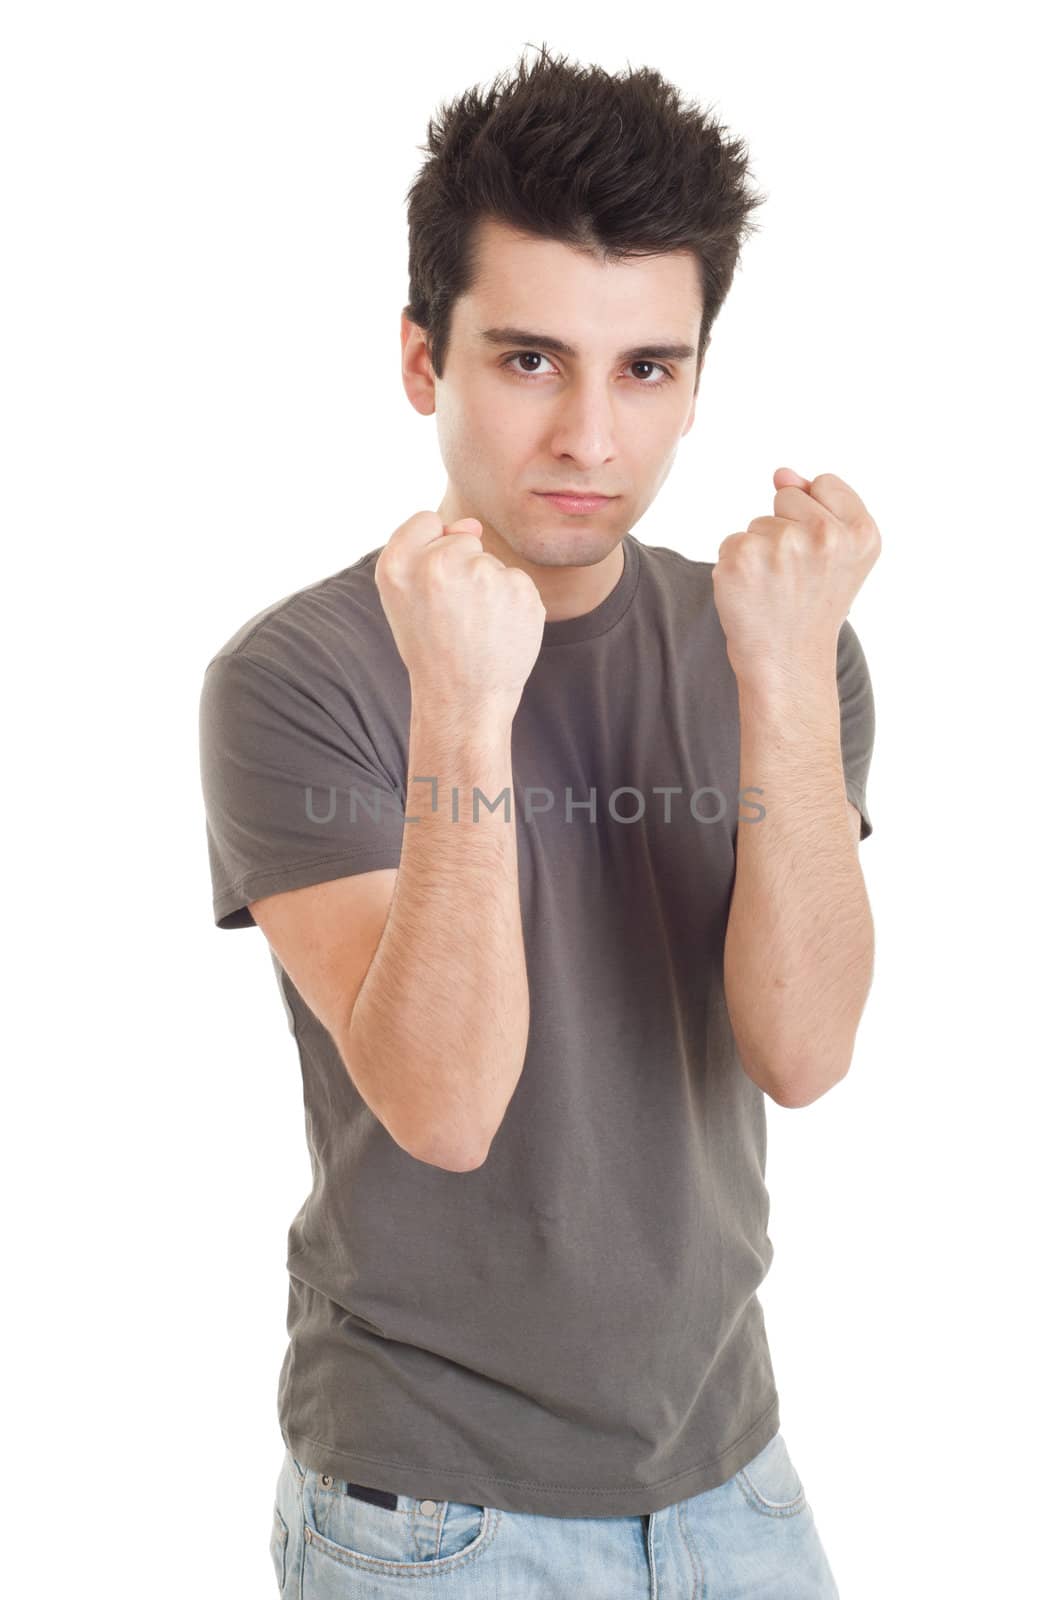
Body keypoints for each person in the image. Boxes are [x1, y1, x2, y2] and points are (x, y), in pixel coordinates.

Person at [199, 42, 878, 1598]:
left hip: (733, 1470)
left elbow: (807, 1052)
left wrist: (777, 683)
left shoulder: (783, 642)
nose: (590, 437)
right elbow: (442, 1106)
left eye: (647, 368)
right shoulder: (293, 680)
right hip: (433, 1512)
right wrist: (461, 701)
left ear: (699, 374)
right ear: (422, 362)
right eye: (528, 360)